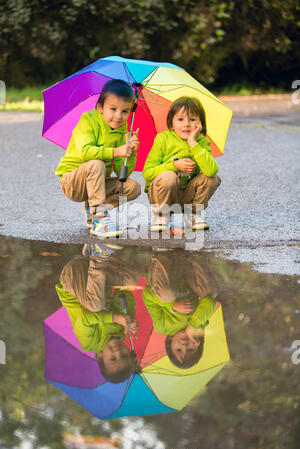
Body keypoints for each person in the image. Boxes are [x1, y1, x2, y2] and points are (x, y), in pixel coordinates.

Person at [55, 79, 141, 238]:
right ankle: (99, 218)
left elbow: (121, 174)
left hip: (97, 183)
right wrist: (116, 151)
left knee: (133, 187)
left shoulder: (121, 130)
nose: (118, 116)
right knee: (96, 164)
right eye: (113, 109)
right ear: (100, 107)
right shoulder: (88, 120)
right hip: (73, 181)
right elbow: (85, 152)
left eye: (125, 111)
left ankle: (92, 206)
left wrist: (131, 153)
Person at [56, 251, 141, 382]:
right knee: (132, 279)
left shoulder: (89, 343)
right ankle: (98, 252)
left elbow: (85, 317)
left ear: (100, 357)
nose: (118, 352)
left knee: (95, 306)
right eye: (124, 355)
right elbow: (121, 292)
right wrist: (129, 315)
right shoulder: (121, 332)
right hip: (98, 279)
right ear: (130, 352)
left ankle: (98, 257)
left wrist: (116, 318)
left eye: (112, 359)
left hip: (73, 279)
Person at [142, 96, 221, 231]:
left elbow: (212, 171)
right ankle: (162, 215)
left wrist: (193, 142)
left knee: (212, 178)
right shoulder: (163, 139)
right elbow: (147, 173)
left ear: (200, 124)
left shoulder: (201, 142)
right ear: (171, 123)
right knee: (168, 176)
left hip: (187, 196)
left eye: (192, 119)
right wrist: (173, 166)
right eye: (180, 119)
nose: (186, 124)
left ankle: (193, 214)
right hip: (163, 195)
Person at [142, 251, 218, 369]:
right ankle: (196, 254)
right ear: (197, 344)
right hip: (187, 270)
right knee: (211, 292)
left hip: (165, 272)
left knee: (167, 295)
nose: (184, 345)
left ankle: (162, 252)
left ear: (170, 343)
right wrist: (193, 326)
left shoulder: (162, 326)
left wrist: (172, 307)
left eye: (179, 350)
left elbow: (147, 296)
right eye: (191, 349)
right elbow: (210, 302)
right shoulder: (198, 326)